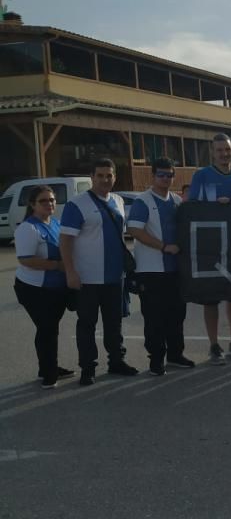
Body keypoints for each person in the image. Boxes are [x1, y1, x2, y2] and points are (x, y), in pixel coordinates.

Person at [60, 158, 137, 386]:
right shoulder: (77, 204)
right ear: (92, 177)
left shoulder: (119, 201)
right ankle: (88, 368)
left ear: (115, 177)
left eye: (109, 175)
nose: (105, 179)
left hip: (115, 277)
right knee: (87, 325)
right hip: (87, 278)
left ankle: (116, 361)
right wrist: (70, 272)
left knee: (114, 324)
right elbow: (65, 241)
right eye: (100, 175)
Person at [126, 158, 194, 377]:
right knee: (154, 317)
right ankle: (156, 359)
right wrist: (163, 246)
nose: (165, 178)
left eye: (169, 175)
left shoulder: (176, 200)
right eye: (161, 175)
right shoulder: (143, 202)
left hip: (175, 271)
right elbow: (136, 231)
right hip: (151, 271)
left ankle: (175, 354)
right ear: (153, 176)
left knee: (177, 314)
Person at [187, 133, 231, 364]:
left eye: (227, 150)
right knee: (211, 298)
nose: (224, 154)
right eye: (219, 150)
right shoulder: (201, 176)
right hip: (209, 247)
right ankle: (213, 345)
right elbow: (192, 208)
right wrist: (214, 206)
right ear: (212, 152)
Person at [14, 185, 72, 389]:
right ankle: (49, 372)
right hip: (33, 289)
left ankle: (48, 367)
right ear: (32, 204)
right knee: (47, 329)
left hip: (55, 288)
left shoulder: (55, 223)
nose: (49, 204)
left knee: (49, 329)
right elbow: (26, 260)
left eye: (52, 200)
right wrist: (58, 265)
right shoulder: (27, 228)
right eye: (43, 201)